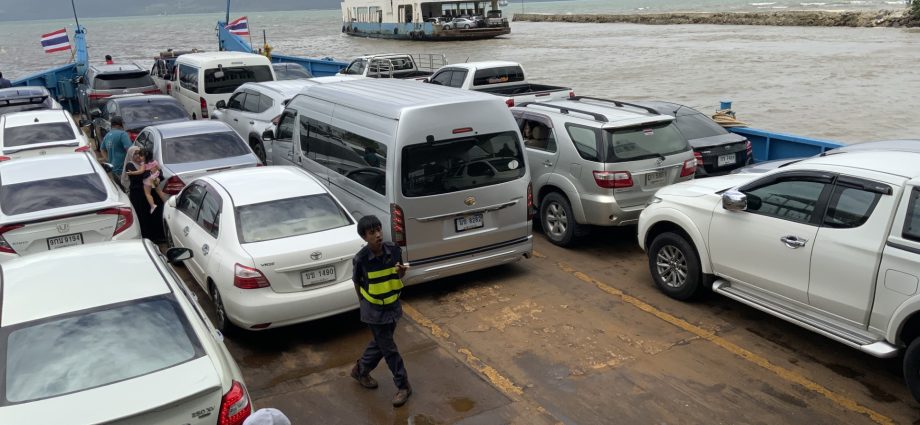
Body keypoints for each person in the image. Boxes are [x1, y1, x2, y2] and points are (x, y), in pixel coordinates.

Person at [350, 215, 412, 407]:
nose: (377, 235)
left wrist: (401, 271)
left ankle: (360, 370)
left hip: (392, 306)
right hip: (374, 312)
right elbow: (357, 283)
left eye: (379, 230)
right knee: (389, 349)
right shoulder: (361, 260)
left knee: (380, 343)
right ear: (364, 237)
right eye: (372, 232)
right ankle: (403, 386)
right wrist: (365, 306)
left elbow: (399, 274)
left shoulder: (393, 250)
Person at [100, 116, 133, 187]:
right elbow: (130, 150)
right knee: (128, 190)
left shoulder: (107, 135)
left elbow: (102, 149)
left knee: (120, 189)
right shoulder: (123, 134)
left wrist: (108, 159)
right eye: (122, 124)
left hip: (113, 169)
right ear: (119, 124)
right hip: (123, 170)